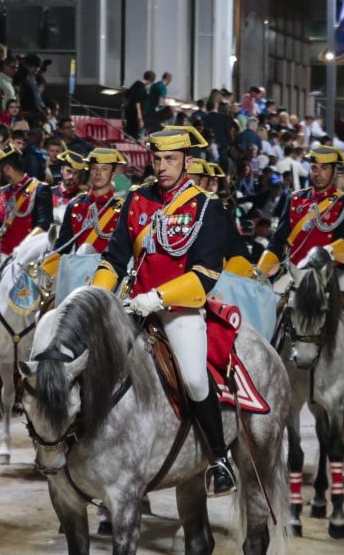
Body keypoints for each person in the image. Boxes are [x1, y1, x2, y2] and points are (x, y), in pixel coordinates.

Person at [94, 127, 238, 495]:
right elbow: (114, 258)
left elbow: (205, 274)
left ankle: (220, 459)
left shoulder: (208, 206)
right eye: (157, 159)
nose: (162, 167)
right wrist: (95, 298)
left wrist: (158, 298)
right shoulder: (137, 199)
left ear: (188, 163)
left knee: (192, 378)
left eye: (170, 160)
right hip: (133, 303)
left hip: (178, 309)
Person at [273, 146, 344, 398]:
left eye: (323, 168)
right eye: (314, 167)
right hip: (296, 273)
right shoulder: (295, 199)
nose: (317, 173)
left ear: (334, 171)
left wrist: (320, 257)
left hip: (331, 274)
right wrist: (263, 265)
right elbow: (278, 240)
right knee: (266, 306)